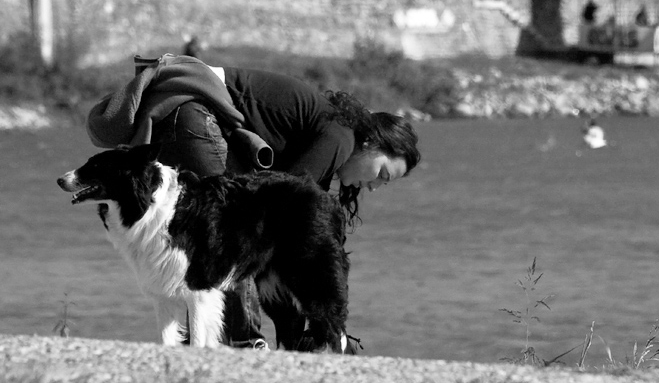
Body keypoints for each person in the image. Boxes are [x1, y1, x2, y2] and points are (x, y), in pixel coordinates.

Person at [86, 53, 421, 350]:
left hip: (175, 112)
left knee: (200, 242)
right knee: (234, 232)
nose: (374, 186)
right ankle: (246, 341)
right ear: (372, 143)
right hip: (194, 114)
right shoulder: (341, 137)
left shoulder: (331, 131)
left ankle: (200, 341)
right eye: (382, 175)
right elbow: (281, 210)